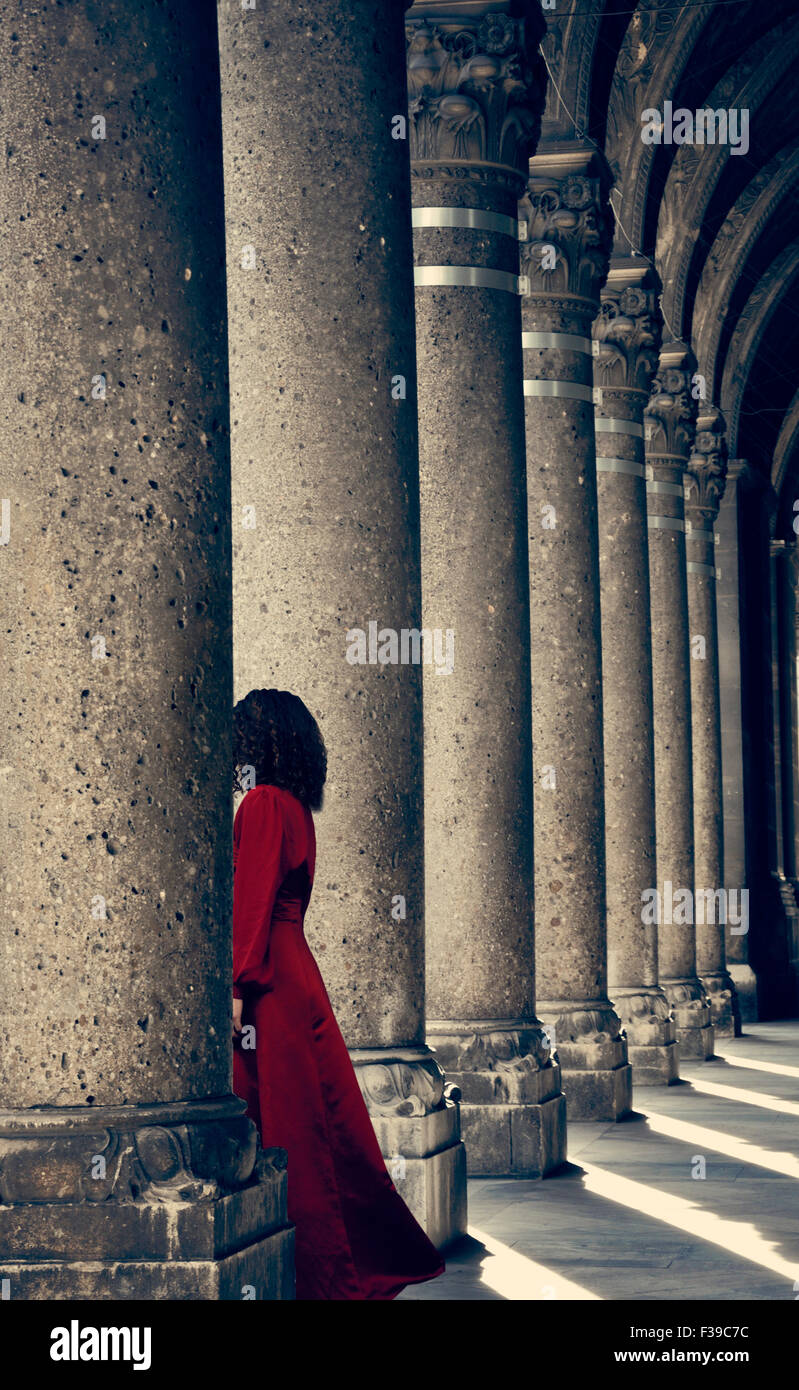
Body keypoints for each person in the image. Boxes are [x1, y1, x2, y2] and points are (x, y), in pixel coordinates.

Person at [231, 687, 445, 1300]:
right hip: (295, 971)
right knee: (318, 1125)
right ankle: (339, 1262)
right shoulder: (294, 805)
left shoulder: (264, 804)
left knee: (290, 1126)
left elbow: (253, 903)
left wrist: (238, 986)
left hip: (270, 976)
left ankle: (318, 1273)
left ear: (261, 742)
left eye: (242, 734)